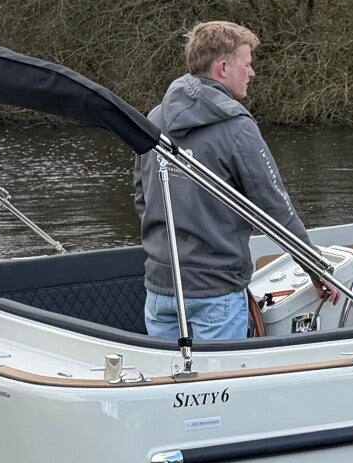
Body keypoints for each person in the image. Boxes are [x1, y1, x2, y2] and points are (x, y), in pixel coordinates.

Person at [135, 21, 323, 343]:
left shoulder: (153, 121)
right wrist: (316, 270)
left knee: (170, 375)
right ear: (223, 68)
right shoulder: (237, 127)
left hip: (161, 290)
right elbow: (275, 208)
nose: (252, 73)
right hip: (216, 294)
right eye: (246, 64)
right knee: (221, 374)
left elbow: (143, 198)